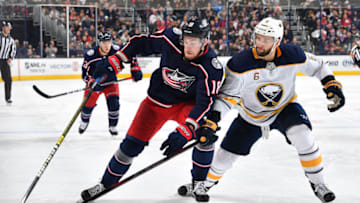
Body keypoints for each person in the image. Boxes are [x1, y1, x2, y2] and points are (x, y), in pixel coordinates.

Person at [178, 17, 345, 203]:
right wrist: (212, 121)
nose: (260, 43)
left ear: (277, 41)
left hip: (285, 108)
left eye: (266, 40)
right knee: (224, 158)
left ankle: (319, 184)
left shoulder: (293, 54)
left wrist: (331, 85)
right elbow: (227, 98)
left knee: (303, 136)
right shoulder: (240, 64)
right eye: (258, 38)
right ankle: (203, 184)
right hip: (250, 115)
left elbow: (320, 66)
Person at [80, 16, 224, 202]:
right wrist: (116, 59)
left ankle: (199, 182)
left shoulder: (211, 67)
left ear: (205, 41)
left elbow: (205, 103)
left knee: (205, 135)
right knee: (130, 146)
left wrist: (187, 129)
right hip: (156, 102)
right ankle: (105, 183)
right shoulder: (170, 39)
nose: (188, 46)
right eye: (186, 41)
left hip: (186, 106)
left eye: (194, 42)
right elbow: (140, 42)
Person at [79, 31, 143, 136]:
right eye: (104, 42)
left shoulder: (117, 50)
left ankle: (113, 125)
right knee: (87, 105)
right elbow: (84, 74)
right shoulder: (91, 55)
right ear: (99, 43)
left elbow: (132, 55)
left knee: (114, 104)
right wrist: (91, 82)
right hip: (95, 84)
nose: (106, 45)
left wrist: (135, 69)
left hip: (111, 82)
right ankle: (84, 121)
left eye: (108, 42)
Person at [0, 21, 16, 104]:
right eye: (7, 27)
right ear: (3, 28)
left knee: (8, 80)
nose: (9, 29)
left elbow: (13, 50)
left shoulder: (11, 40)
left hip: (5, 61)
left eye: (9, 27)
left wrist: (10, 57)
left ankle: (8, 97)